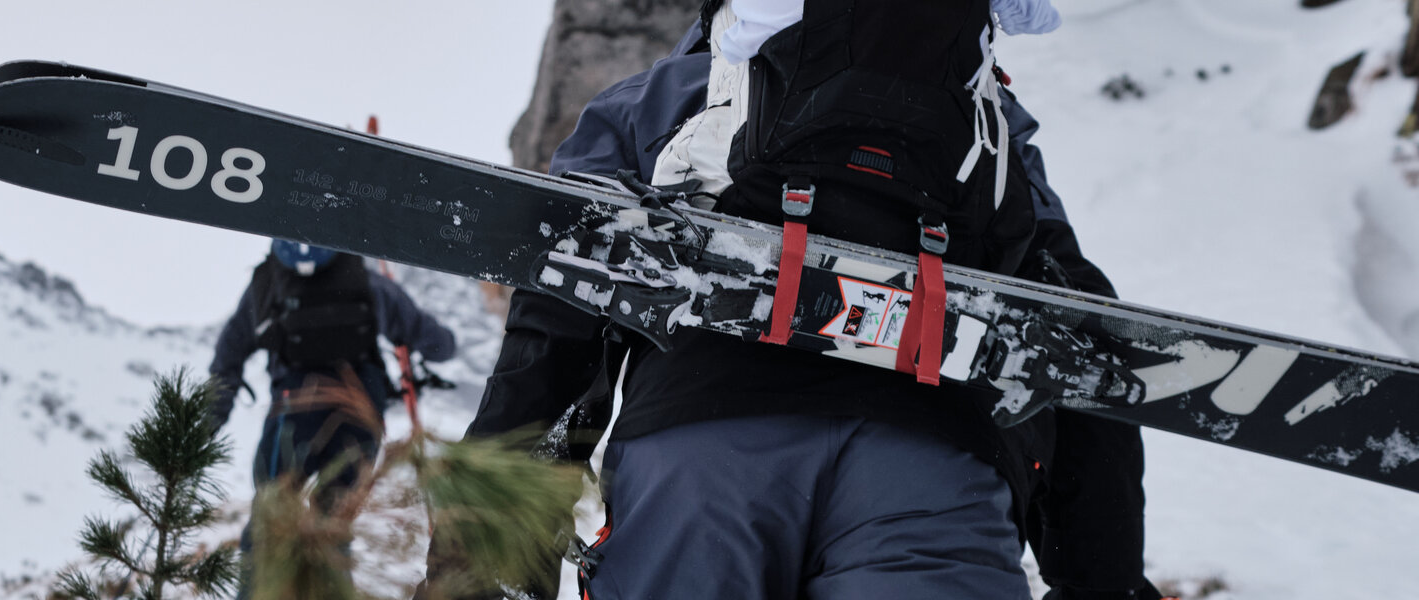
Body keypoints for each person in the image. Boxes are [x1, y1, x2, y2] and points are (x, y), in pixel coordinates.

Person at [439, 2, 1166, 599]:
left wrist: (483, 565)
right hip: (934, 463)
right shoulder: (991, 131)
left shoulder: (662, 98)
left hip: (703, 458)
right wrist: (1104, 585)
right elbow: (1077, 339)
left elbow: (562, 313)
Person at [209, 239, 458, 597]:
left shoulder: (266, 283)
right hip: (358, 419)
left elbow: (228, 355)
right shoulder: (367, 281)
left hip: (292, 416)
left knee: (269, 521)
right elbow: (440, 345)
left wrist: (214, 414)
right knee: (333, 526)